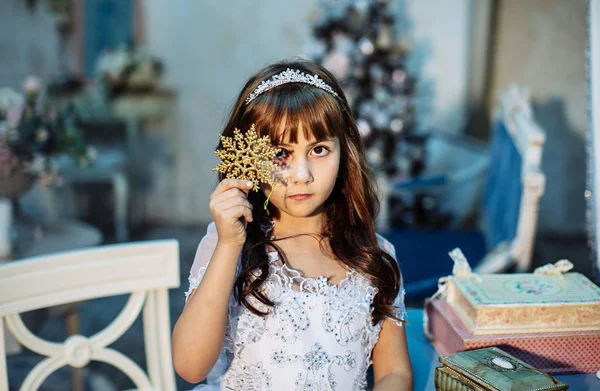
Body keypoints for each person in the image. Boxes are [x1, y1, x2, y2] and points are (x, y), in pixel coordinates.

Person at [172, 59, 413, 390]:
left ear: (346, 150)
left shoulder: (375, 255)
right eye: (279, 154)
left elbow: (394, 373)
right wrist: (229, 246)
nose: (302, 175)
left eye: (318, 149)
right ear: (249, 159)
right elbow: (190, 366)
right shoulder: (229, 243)